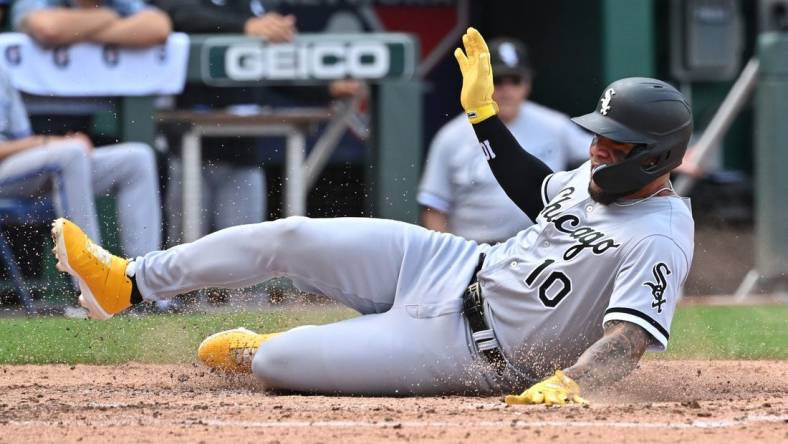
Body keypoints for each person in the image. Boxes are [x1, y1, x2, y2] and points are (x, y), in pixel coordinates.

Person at [51, 28, 694, 404]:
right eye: (598, 134)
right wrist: (484, 118)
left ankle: (269, 349)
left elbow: (628, 343)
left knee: (279, 366)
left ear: (656, 157)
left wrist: (575, 386)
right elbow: (538, 190)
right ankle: (127, 280)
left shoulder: (659, 237)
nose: (597, 147)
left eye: (615, 143)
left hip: (469, 348)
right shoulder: (599, 176)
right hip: (450, 262)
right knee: (292, 235)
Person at [151, 0, 364, 242]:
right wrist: (245, 26)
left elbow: (276, 73)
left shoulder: (253, 6)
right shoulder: (195, 8)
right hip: (186, 152)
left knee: (246, 254)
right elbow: (178, 13)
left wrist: (327, 88)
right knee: (183, 251)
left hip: (243, 154)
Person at [419, 37, 591, 244]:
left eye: (515, 80)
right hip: (478, 249)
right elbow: (434, 208)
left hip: (541, 247)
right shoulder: (451, 136)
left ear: (527, 84)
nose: (506, 90)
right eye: (497, 80)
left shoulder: (555, 125)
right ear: (481, 82)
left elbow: (601, 160)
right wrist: (449, 256)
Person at [0, 65, 161, 267]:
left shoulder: (2, 72)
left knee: (137, 158)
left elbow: (22, 138)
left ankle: (145, 279)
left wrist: (60, 143)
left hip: (20, 169)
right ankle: (93, 277)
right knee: (71, 154)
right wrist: (50, 143)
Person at [11, 0, 171, 48]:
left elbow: (159, 28)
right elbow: (49, 29)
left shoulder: (118, 3)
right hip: (40, 109)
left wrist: (79, 31)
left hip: (100, 105)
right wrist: (107, 15)